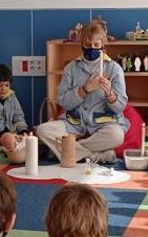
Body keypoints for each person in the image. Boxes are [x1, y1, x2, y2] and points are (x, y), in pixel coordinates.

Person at [35, 20, 129, 164]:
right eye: (87, 45)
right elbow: (62, 101)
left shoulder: (114, 69)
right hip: (74, 123)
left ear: (103, 45)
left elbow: (120, 107)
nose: (92, 48)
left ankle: (66, 152)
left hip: (103, 124)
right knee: (42, 130)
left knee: (116, 136)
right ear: (81, 44)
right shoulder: (71, 68)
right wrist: (84, 90)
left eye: (96, 45)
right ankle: (95, 156)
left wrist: (110, 94)